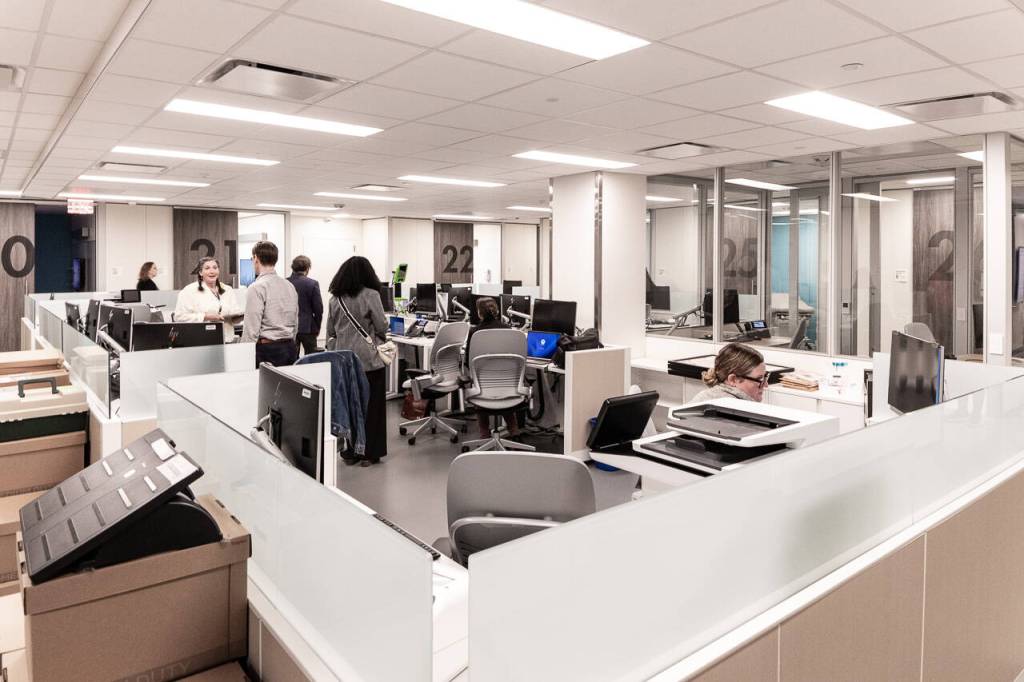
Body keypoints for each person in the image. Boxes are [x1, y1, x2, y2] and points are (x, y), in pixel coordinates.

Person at [326, 256, 389, 467]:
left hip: (343, 360)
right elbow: (381, 326)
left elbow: (331, 332)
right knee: (372, 407)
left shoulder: (334, 300)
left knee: (350, 406)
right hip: (369, 360)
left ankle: (351, 451)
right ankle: (369, 453)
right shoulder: (371, 295)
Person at [466, 296, 522, 440]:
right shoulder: (508, 330)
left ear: (479, 313)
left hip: (482, 389)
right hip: (507, 387)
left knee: (479, 385)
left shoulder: (475, 332)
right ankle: (514, 431)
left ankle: (484, 435)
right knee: (504, 385)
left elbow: (468, 362)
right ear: (496, 311)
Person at [241, 241, 298, 367]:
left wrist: (244, 355)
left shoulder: (256, 287)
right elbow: (295, 321)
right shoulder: (289, 286)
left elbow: (251, 329)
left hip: (267, 351)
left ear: (255, 258)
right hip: (290, 348)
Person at [174, 257, 243, 342]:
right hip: (201, 340)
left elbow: (234, 317)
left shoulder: (228, 290)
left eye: (215, 268)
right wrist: (205, 316)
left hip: (227, 340)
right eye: (207, 268)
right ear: (200, 272)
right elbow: (179, 317)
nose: (212, 271)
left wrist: (239, 317)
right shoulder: (189, 291)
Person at [691, 342, 767, 403]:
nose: (766, 385)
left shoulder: (703, 396)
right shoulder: (740, 409)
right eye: (759, 379)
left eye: (765, 377)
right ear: (733, 380)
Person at [286, 255, 323, 357]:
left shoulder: (285, 283)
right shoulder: (312, 283)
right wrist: (317, 327)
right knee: (311, 359)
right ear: (307, 268)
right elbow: (318, 309)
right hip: (308, 327)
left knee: (292, 359)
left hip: (289, 327)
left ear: (293, 267)